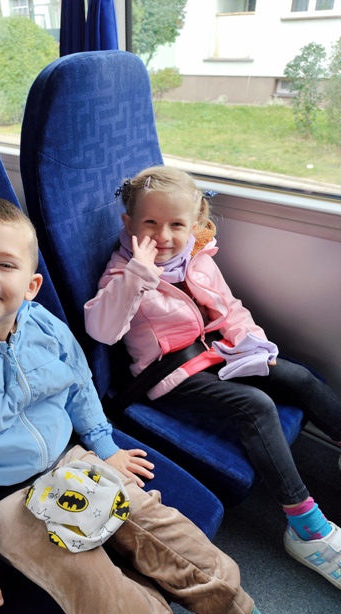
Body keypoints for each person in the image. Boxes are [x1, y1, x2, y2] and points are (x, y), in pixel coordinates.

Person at [0, 195, 290, 614]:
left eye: (5, 264)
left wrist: (103, 444)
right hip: (0, 498)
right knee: (94, 587)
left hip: (69, 460)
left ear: (31, 286)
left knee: (165, 533)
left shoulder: (43, 326)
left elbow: (78, 385)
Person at [84, 165, 341, 591]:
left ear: (195, 223)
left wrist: (253, 344)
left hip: (218, 352)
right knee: (255, 406)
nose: (164, 236)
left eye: (176, 225)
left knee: (298, 378)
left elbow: (230, 307)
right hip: (170, 375)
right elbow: (102, 330)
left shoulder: (198, 258)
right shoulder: (121, 274)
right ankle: (307, 530)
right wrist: (138, 276)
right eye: (150, 223)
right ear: (128, 223)